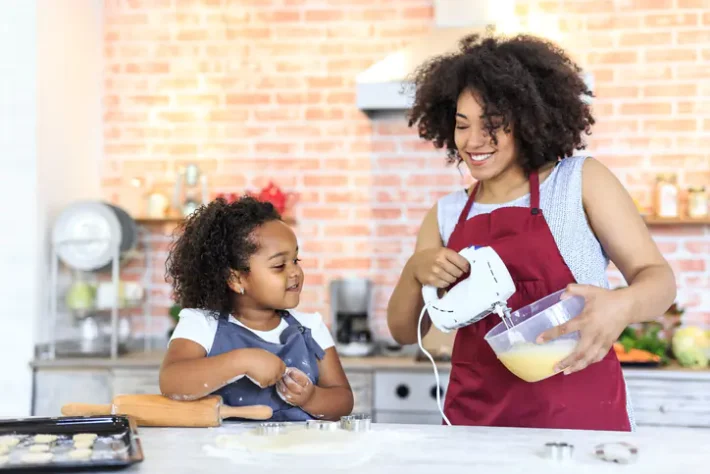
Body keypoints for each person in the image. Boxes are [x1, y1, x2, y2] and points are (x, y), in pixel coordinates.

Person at [386, 33, 676, 431]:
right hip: (475, 426)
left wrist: (622, 304)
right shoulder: (446, 214)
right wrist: (413, 271)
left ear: (526, 119)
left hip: (580, 418)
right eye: (462, 125)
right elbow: (405, 332)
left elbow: (659, 280)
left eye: (492, 125)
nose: (473, 142)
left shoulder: (579, 183)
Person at [160, 196, 353, 421]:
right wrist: (241, 361)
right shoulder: (202, 324)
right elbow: (172, 381)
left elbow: (343, 401)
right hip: (224, 453)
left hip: (298, 452)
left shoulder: (310, 328)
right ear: (236, 279)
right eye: (279, 265)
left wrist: (310, 397)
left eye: (296, 261)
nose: (295, 272)